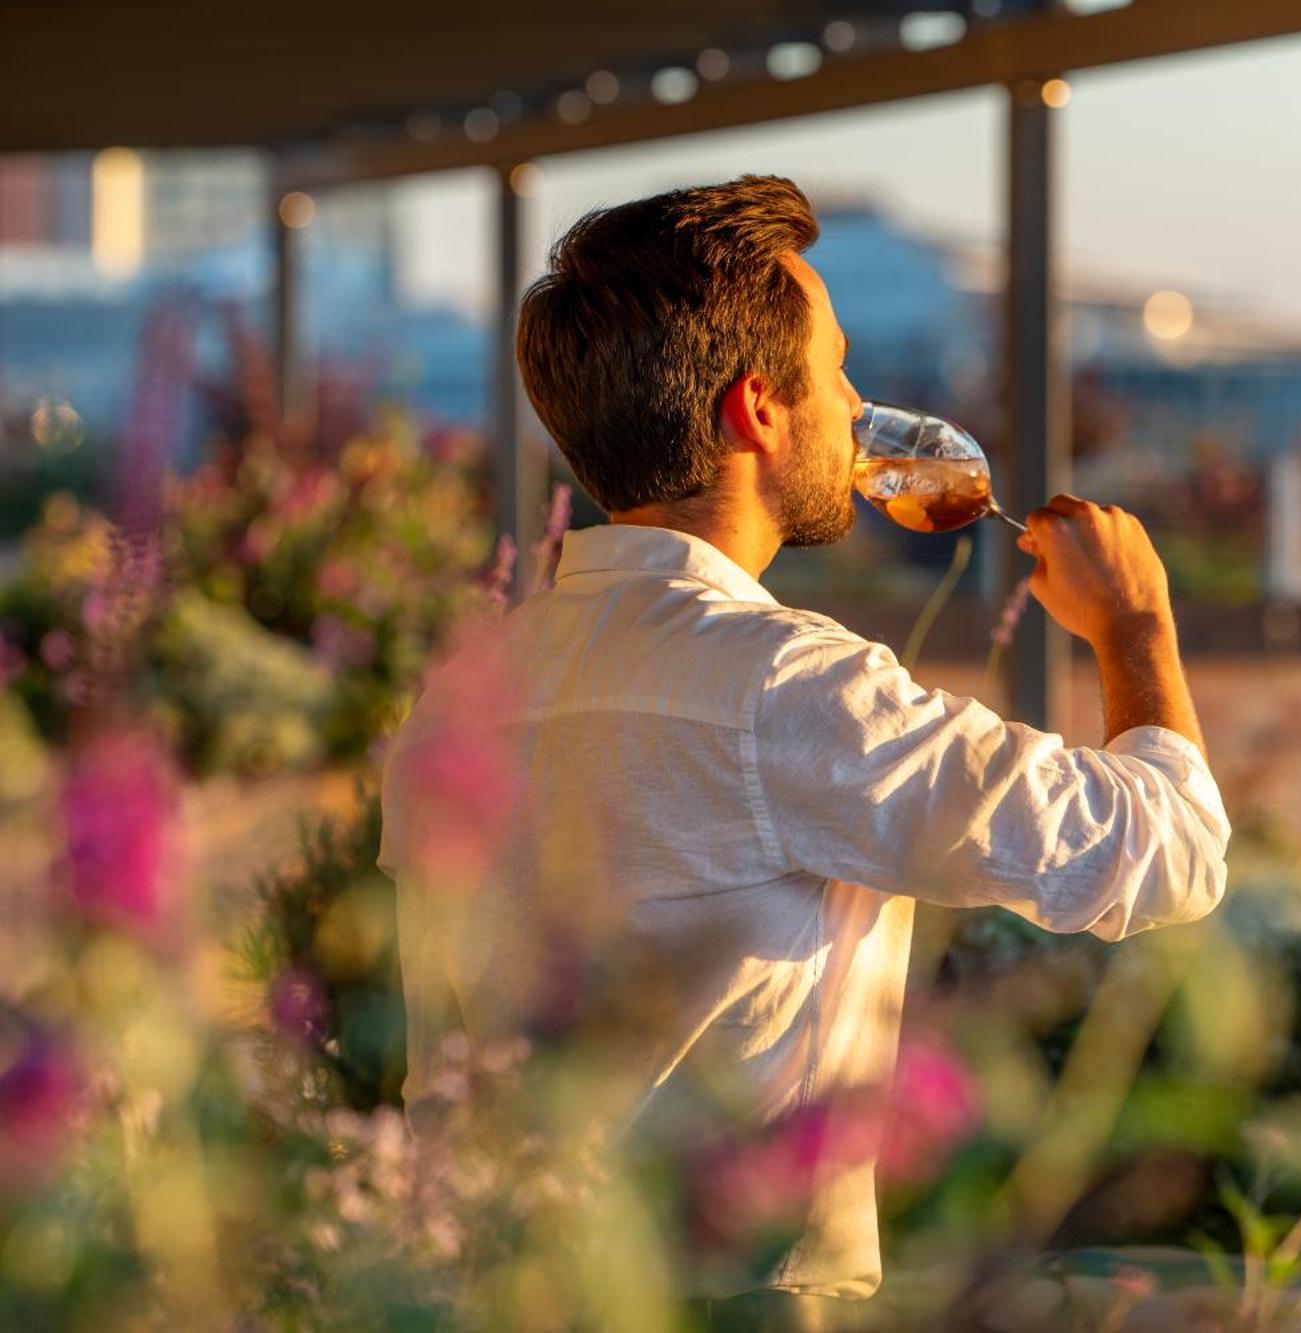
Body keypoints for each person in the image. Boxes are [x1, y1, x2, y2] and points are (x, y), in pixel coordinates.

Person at [378, 175, 1228, 1322]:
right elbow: (1162, 852)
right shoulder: (784, 686)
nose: (856, 402)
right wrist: (1134, 628)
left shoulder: (465, 695)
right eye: (833, 369)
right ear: (758, 411)